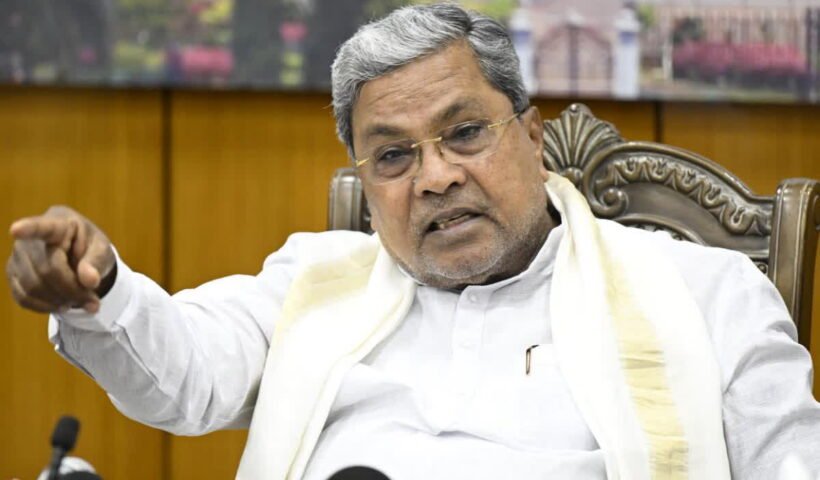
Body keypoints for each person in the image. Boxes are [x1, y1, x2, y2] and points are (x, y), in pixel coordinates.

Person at [5, 4, 820, 480]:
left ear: (532, 138)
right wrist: (98, 285)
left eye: (464, 133)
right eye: (393, 156)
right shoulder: (319, 279)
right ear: (365, 177)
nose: (434, 178)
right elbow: (184, 373)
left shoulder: (707, 295)